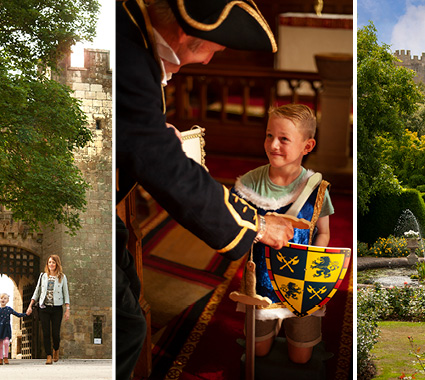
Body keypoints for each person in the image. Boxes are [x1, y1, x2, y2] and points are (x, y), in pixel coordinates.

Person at [116, 0, 295, 377]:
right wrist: (257, 225)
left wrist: (148, 134)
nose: (211, 61)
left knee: (129, 293)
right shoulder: (129, 58)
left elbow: (132, 130)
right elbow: (164, 169)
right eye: (213, 49)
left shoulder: (130, 28)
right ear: (188, 33)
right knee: (126, 328)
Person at [232, 104, 334, 363]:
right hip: (261, 283)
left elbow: (324, 232)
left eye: (284, 139)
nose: (273, 144)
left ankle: (289, 330)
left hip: (300, 284)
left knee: (300, 358)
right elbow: (235, 226)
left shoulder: (317, 189)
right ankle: (271, 328)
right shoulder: (248, 183)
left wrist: (313, 264)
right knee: (259, 352)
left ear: (307, 147)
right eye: (269, 135)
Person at [26, 255, 70, 365]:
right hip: (44, 308)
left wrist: (67, 309)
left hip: (57, 308)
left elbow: (66, 293)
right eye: (49, 262)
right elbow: (37, 291)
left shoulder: (62, 277)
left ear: (57, 264)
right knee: (45, 332)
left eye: (53, 262)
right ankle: (48, 355)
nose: (51, 264)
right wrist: (30, 305)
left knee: (55, 333)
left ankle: (56, 349)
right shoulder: (43, 276)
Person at [0, 293, 27, 365]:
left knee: (6, 342)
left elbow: (17, 314)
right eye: (1, 298)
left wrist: (26, 314)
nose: (3, 300)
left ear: (8, 300)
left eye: (5, 298)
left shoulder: (9, 309)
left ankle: (6, 357)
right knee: (0, 345)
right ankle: (0, 359)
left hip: (6, 328)